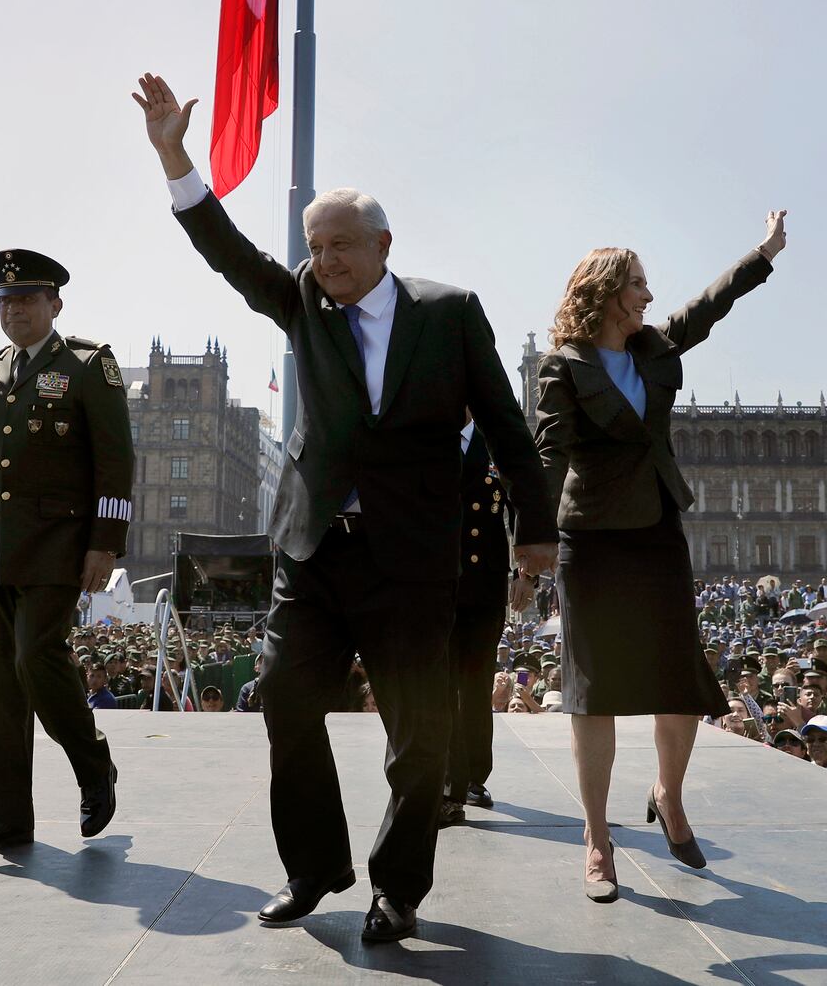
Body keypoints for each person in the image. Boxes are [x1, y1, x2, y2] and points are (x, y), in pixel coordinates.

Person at [133, 73, 557, 943]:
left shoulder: (449, 313)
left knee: (418, 734)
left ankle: (397, 888)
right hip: (316, 543)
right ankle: (313, 865)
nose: (322, 262)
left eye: (338, 247)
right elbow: (228, 252)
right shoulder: (299, 301)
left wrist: (538, 532)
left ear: (382, 245)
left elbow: (511, 427)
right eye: (314, 247)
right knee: (285, 694)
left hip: (409, 554)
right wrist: (177, 157)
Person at [533, 213, 788, 903]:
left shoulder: (653, 347)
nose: (649, 295)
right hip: (590, 537)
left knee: (680, 676)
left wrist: (761, 254)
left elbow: (709, 307)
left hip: (655, 527)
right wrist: (531, 533)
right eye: (638, 284)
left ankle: (668, 795)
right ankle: (596, 838)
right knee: (595, 694)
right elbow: (550, 452)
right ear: (609, 291)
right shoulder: (563, 365)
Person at [0, 248, 134, 854]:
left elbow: (115, 462)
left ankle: (91, 761)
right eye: (7, 301)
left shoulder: (85, 366)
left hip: (59, 544)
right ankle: (5, 817)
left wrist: (106, 544)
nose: (15, 309)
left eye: (27, 299)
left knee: (34, 657)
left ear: (55, 304)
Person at [440, 417, 515, 829]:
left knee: (476, 682)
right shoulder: (431, 432)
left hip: (485, 582)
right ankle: (449, 780)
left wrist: (526, 572)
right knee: (443, 683)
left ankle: (473, 777)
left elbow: (522, 499)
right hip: (438, 580)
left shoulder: (496, 441)